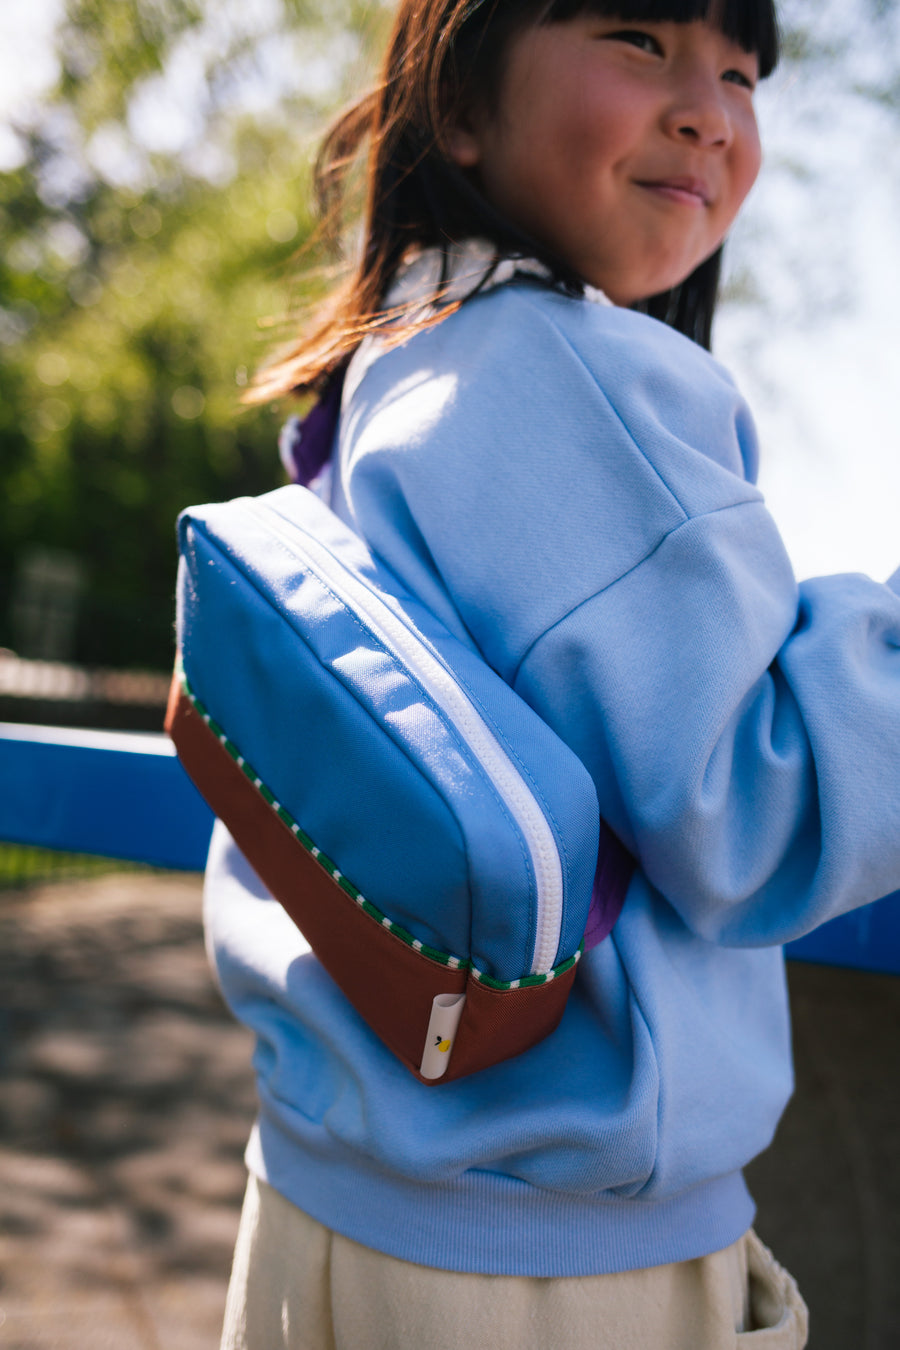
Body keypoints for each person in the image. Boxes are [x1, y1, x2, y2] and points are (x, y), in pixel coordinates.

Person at [204, 1, 900, 1345]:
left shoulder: (403, 356)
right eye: (640, 38)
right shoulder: (555, 371)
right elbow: (757, 813)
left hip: (332, 1194)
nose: (709, 106)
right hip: (547, 1264)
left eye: (742, 70)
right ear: (458, 104)